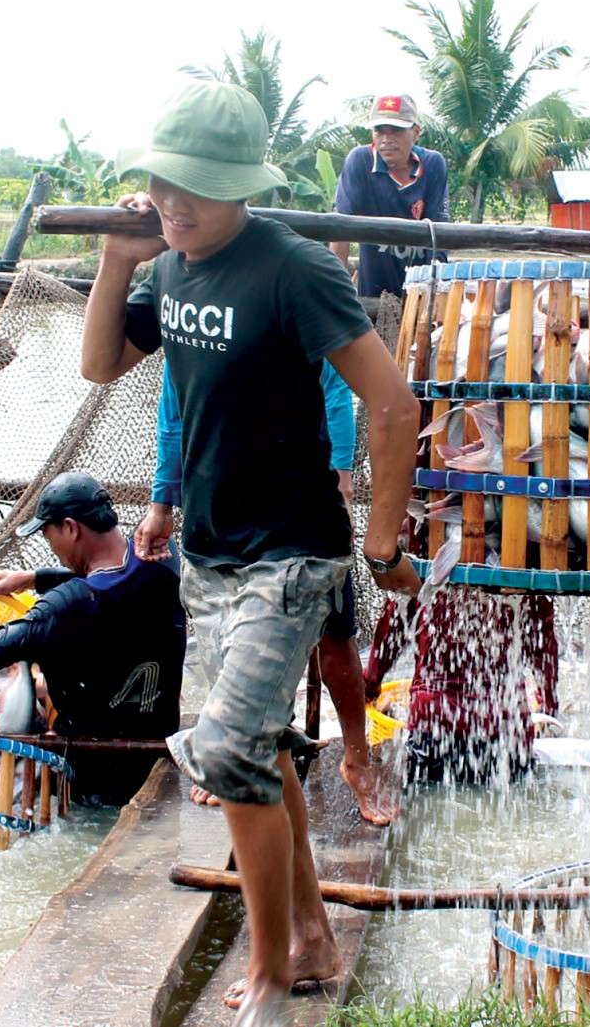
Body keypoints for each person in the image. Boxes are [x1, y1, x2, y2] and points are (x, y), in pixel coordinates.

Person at [78, 81, 420, 1024]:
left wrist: (382, 542)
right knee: (257, 752)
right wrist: (118, 259)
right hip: (211, 552)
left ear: (244, 188)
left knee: (227, 751)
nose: (176, 204)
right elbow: (103, 364)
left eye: (197, 188)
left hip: (293, 551)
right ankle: (307, 932)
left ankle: (273, 978)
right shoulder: (172, 266)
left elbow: (393, 405)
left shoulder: (293, 268)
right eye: (163, 184)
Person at [139, 358, 396, 824]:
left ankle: (357, 760)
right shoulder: (189, 309)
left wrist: (340, 480)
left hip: (300, 507)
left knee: (335, 636)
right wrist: (162, 501)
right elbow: (173, 411)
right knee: (224, 634)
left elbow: (336, 390)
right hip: (218, 504)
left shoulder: (290, 295)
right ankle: (239, 750)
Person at [0, 472, 186, 806]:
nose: (54, 549)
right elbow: (114, 583)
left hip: (95, 783)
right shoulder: (162, 558)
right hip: (157, 754)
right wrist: (35, 578)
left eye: (50, 539)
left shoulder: (65, 607)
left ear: (71, 528)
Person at [363, 589, 558, 783]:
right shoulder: (525, 570)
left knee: (428, 802)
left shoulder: (423, 564)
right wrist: (550, 709)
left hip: (434, 730)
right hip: (507, 734)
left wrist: (369, 685)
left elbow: (390, 629)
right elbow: (543, 650)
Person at [329, 94, 449, 298]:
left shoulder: (433, 164)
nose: (386, 140)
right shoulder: (360, 161)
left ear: (416, 132)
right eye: (379, 131)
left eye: (396, 131)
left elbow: (438, 237)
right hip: (373, 287)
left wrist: (436, 292)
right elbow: (341, 229)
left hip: (419, 289)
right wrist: (336, 293)